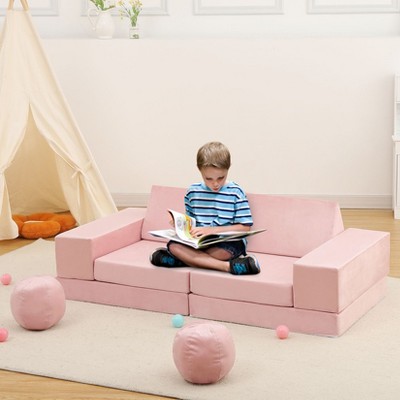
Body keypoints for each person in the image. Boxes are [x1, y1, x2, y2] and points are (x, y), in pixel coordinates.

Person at [150, 141, 260, 275]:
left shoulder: (236, 192)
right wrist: (181, 225)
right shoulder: (193, 192)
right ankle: (228, 267)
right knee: (174, 246)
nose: (215, 184)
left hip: (228, 242)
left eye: (221, 178)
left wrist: (211, 230)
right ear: (199, 170)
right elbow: (192, 223)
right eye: (209, 179)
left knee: (222, 253)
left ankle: (180, 260)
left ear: (228, 168)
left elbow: (245, 227)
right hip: (199, 243)